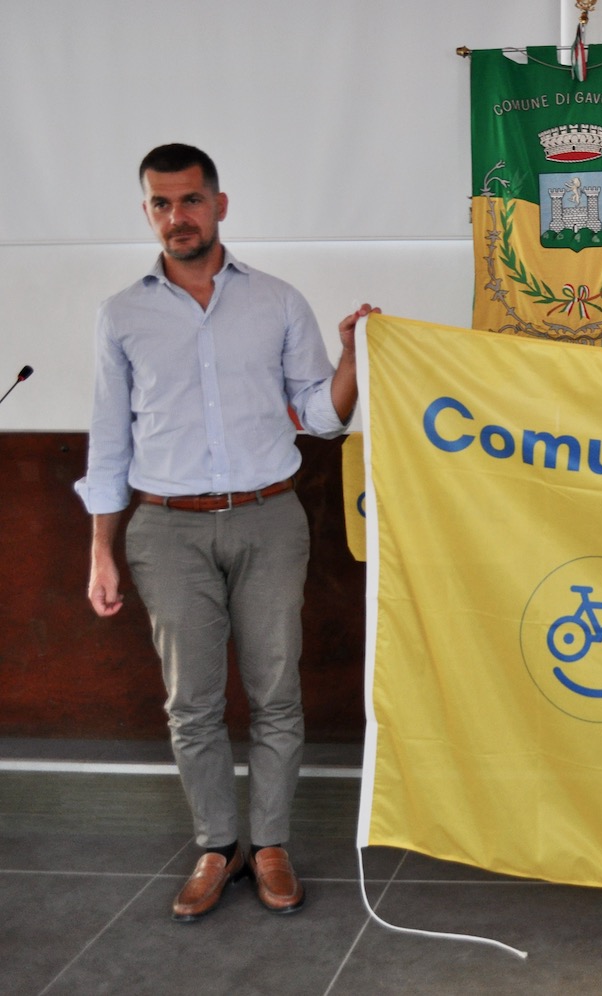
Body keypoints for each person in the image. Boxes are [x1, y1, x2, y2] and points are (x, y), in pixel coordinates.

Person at [75, 143, 378, 922]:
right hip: (166, 530)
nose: (177, 216)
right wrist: (101, 551)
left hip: (270, 519)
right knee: (192, 702)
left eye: (190, 200)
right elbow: (109, 441)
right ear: (148, 212)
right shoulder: (122, 315)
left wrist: (351, 357)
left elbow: (320, 416)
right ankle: (218, 846)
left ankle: (270, 845)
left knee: (277, 692)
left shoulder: (277, 302)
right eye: (161, 204)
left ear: (220, 205)